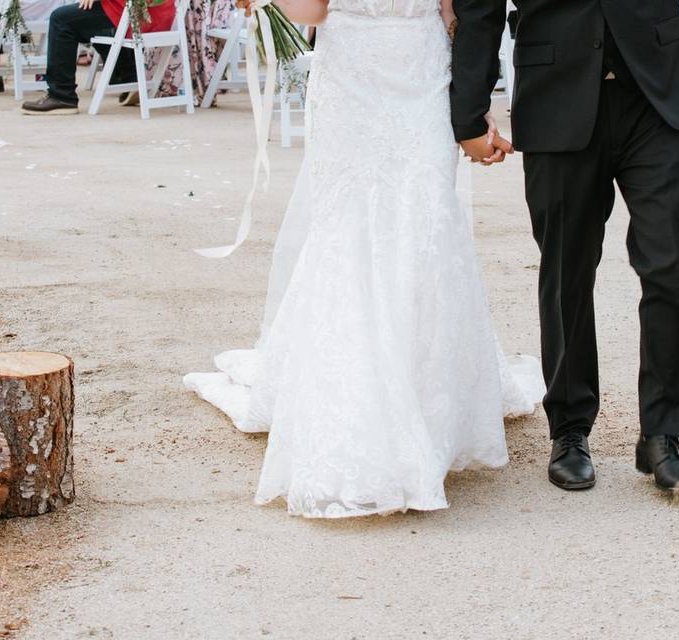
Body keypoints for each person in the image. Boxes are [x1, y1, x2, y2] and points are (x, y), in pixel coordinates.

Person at [184, 0, 544, 518]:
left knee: (353, 227)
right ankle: (431, 405)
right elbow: (454, 13)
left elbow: (309, 11)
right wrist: (472, 105)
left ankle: (378, 405)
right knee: (422, 222)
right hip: (419, 65)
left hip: (358, 68)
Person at [450, 0, 679, 494]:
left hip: (659, 92)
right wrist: (468, 114)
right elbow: (479, 7)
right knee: (567, 268)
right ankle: (569, 430)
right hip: (555, 94)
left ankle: (664, 433)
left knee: (670, 260)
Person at [21, 0, 175, 114]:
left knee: (61, 19)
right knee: (90, 23)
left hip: (136, 14)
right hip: (159, 12)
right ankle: (130, 78)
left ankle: (61, 96)